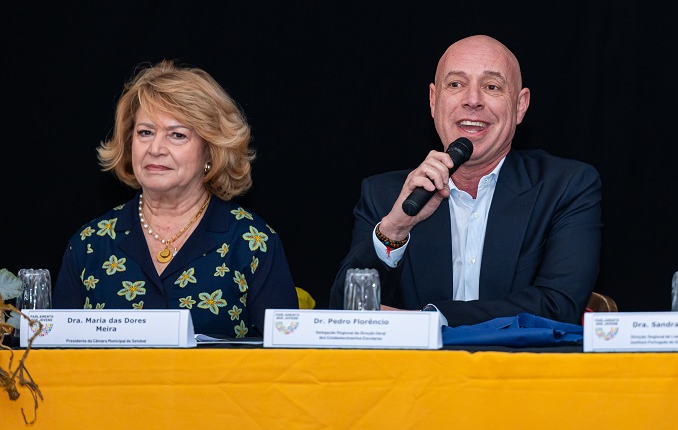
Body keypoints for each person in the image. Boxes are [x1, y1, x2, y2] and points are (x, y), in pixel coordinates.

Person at [328, 34, 602, 327]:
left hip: (517, 367)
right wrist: (395, 229)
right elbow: (346, 312)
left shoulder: (566, 186)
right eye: (456, 84)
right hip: (413, 372)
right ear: (434, 100)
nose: (472, 100)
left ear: (520, 106)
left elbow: (558, 306)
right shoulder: (386, 194)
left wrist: (430, 322)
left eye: (492, 87)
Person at [53, 59, 298, 338]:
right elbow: (54, 359)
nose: (156, 148)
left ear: (210, 150)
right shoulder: (89, 244)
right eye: (145, 132)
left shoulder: (253, 242)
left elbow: (284, 363)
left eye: (177, 135)